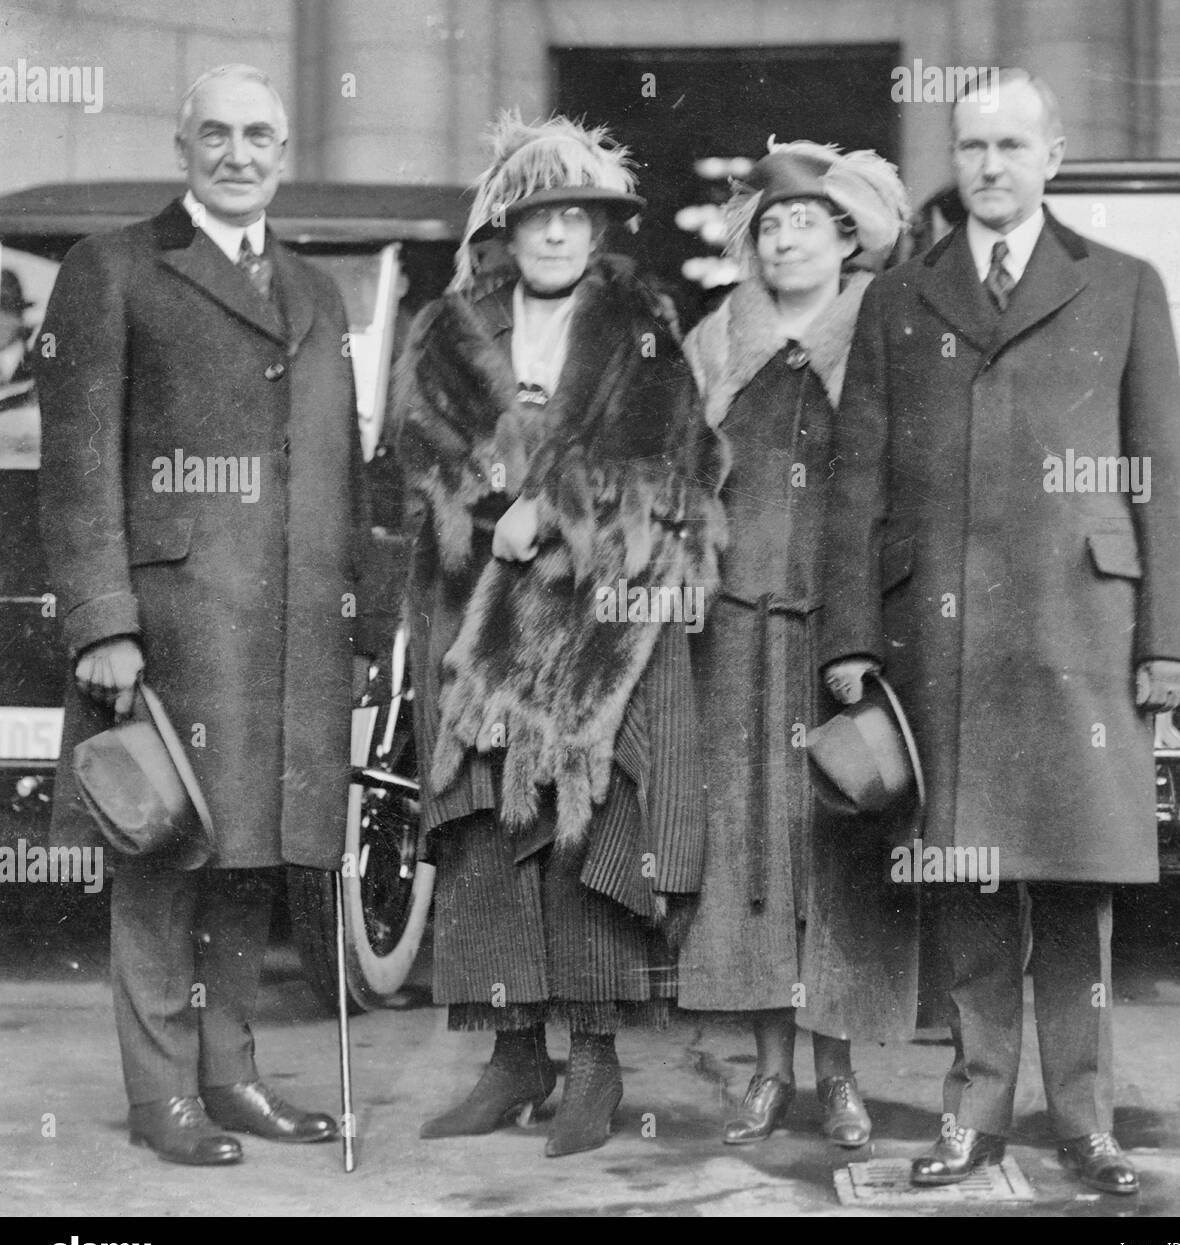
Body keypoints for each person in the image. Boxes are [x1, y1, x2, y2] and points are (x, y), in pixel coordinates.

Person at [828, 69, 1180, 1195]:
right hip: (935, 644)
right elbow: (855, 482)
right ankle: (973, 1115)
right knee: (968, 887)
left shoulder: (1123, 286)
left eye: (1010, 145)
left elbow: (1165, 474)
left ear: (1053, 155)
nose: (989, 166)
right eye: (971, 146)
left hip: (1079, 631)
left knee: (1078, 888)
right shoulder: (900, 299)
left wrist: (1174, 638)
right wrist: (848, 636)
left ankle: (1086, 1123)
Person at [37, 65, 365, 1165]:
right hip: (174, 630)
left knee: (254, 865)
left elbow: (341, 475)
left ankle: (233, 1078)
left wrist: (355, 619)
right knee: (161, 856)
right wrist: (101, 620)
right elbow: (76, 463)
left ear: (282, 155)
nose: (237, 153)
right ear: (182, 148)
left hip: (290, 639)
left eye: (259, 136)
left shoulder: (317, 295)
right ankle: (161, 1096)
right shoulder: (112, 270)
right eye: (214, 134)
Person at [393, 111, 728, 1158]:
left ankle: (592, 1060)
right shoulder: (446, 328)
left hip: (598, 625)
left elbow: (675, 469)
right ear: (506, 224)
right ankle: (510, 1057)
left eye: (576, 217)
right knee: (487, 832)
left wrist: (564, 507)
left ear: (599, 230)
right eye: (537, 216)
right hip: (477, 613)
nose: (555, 235)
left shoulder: (641, 326)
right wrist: (498, 507)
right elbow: (419, 450)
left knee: (588, 827)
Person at [676, 141, 918, 1149]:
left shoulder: (885, 337)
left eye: (805, 223)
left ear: (847, 237)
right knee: (750, 851)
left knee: (843, 847)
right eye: (768, 226)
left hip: (843, 637)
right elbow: (672, 487)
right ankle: (769, 1070)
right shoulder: (708, 343)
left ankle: (842, 1074)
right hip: (733, 635)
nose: (783, 239)